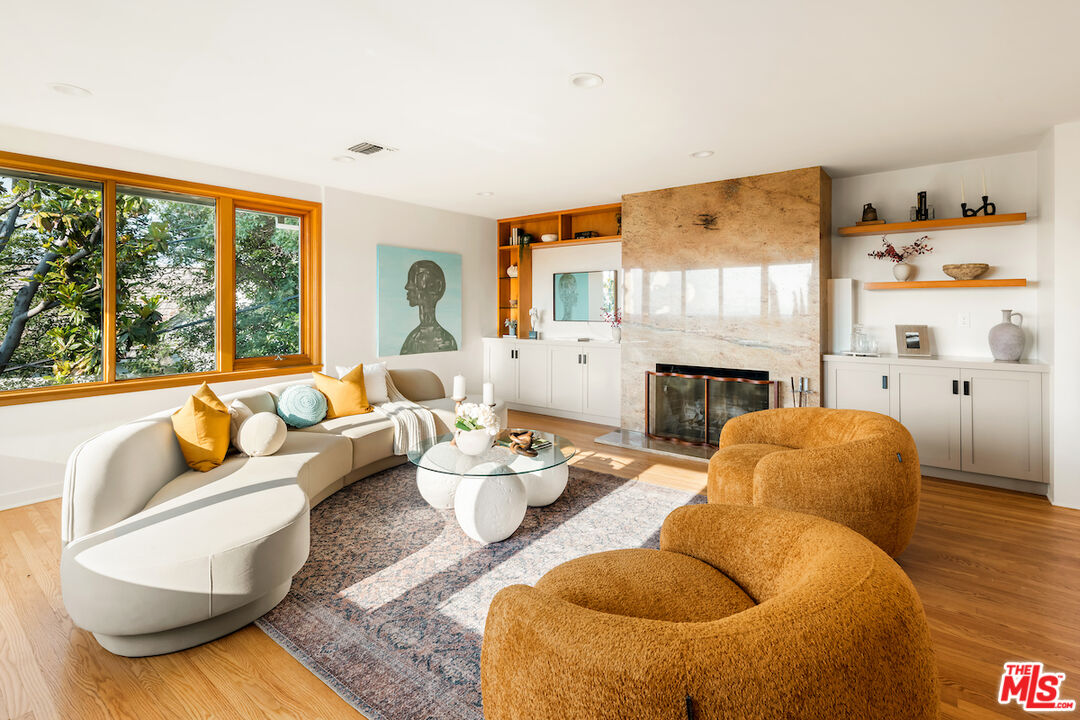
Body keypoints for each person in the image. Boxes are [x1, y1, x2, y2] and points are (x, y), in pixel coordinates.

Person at [401, 259, 457, 354]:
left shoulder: (447, 341)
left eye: (417, 280)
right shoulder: (412, 340)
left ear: (436, 287)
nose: (408, 287)